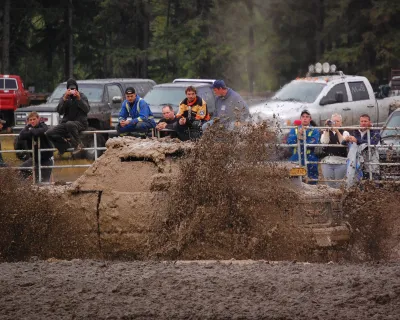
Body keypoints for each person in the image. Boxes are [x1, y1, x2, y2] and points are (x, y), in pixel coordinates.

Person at [46, 78, 90, 154]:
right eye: (70, 89)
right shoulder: (65, 97)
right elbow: (60, 111)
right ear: (67, 89)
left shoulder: (82, 96)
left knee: (69, 124)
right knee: (49, 133)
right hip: (66, 123)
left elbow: (87, 110)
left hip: (80, 122)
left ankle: (79, 144)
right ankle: (64, 147)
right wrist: (64, 99)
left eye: (74, 89)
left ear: (77, 89)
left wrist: (79, 99)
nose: (72, 91)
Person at [343, 114, 381, 180]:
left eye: (365, 121)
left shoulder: (375, 131)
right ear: (359, 122)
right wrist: (346, 140)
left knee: (373, 182)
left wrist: (357, 140)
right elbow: (343, 143)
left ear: (370, 122)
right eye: (362, 121)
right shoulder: (355, 131)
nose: (363, 123)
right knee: (358, 183)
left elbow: (372, 143)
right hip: (357, 162)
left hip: (371, 161)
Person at [287, 110, 320, 184]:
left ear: (310, 119)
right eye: (303, 117)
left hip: (310, 159)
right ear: (300, 119)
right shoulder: (294, 129)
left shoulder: (314, 130)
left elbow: (313, 142)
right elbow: (289, 142)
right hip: (295, 159)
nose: (305, 118)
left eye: (307, 117)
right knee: (294, 183)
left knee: (311, 182)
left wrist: (301, 138)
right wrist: (298, 135)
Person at [19, 112, 54, 182]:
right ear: (28, 121)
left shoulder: (43, 125)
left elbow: (39, 132)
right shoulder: (28, 127)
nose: (32, 121)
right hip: (35, 159)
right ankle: (25, 186)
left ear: (38, 119)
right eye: (30, 120)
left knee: (42, 182)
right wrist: (27, 127)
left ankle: (44, 189)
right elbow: (21, 136)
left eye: (34, 119)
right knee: (22, 168)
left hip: (46, 159)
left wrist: (30, 130)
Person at [320, 113, 350, 188]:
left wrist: (337, 131)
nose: (335, 123)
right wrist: (327, 129)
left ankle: (339, 199)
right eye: (333, 121)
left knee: (340, 184)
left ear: (341, 123)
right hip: (327, 161)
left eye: (337, 121)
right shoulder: (325, 132)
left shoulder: (345, 132)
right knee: (329, 185)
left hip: (341, 161)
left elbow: (343, 143)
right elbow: (324, 142)